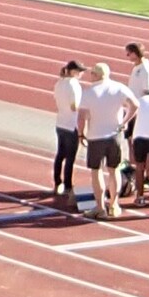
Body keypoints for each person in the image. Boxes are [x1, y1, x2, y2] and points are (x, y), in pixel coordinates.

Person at [76, 63, 136, 220]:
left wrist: (81, 134)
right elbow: (135, 105)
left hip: (96, 136)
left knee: (96, 172)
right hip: (114, 135)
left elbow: (81, 116)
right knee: (114, 170)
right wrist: (124, 122)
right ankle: (114, 204)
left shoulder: (88, 93)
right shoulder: (118, 88)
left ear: (95, 75)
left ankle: (100, 206)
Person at [52, 60, 84, 205]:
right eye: (79, 71)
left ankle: (57, 182)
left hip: (60, 123)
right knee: (70, 157)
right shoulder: (74, 85)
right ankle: (68, 185)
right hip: (71, 125)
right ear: (72, 71)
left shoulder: (59, 83)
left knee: (60, 154)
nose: (81, 73)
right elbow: (74, 106)